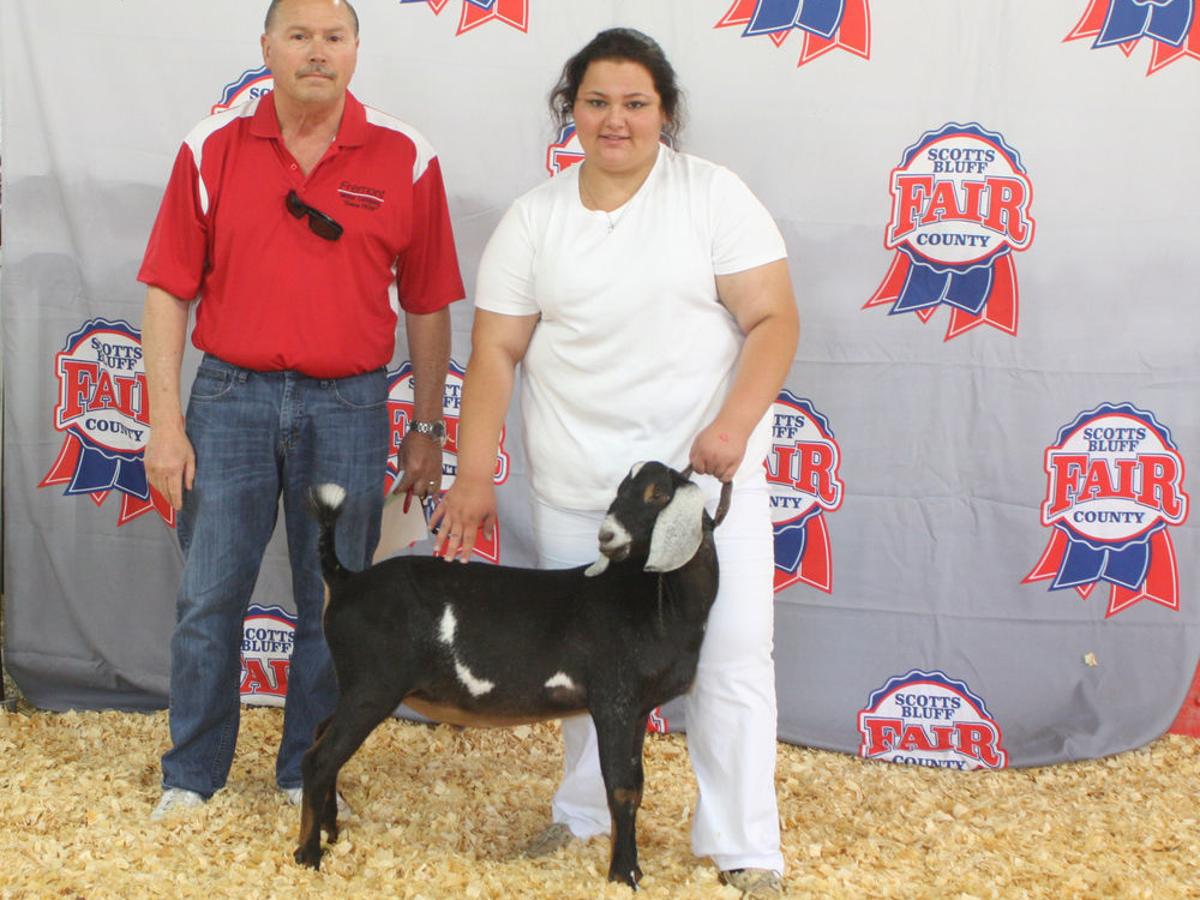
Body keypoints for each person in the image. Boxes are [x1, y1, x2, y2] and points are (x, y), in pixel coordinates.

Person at [432, 28, 797, 897]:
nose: (615, 120)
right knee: (587, 667)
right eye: (597, 102)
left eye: (636, 103)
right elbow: (494, 352)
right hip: (581, 491)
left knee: (732, 655)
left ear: (665, 111)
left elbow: (774, 320)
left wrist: (734, 426)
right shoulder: (535, 219)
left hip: (700, 492)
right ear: (572, 111)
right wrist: (474, 474)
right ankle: (585, 815)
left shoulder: (714, 196)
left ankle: (745, 845)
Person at [138, 0, 463, 820]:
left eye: (333, 37)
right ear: (267, 47)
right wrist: (165, 424)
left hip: (351, 406)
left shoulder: (406, 156)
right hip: (229, 400)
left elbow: (428, 303)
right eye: (298, 36)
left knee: (336, 605)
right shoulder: (211, 146)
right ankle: (191, 776)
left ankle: (306, 773)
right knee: (209, 597)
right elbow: (169, 290)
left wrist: (427, 427)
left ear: (355, 50)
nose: (316, 51)